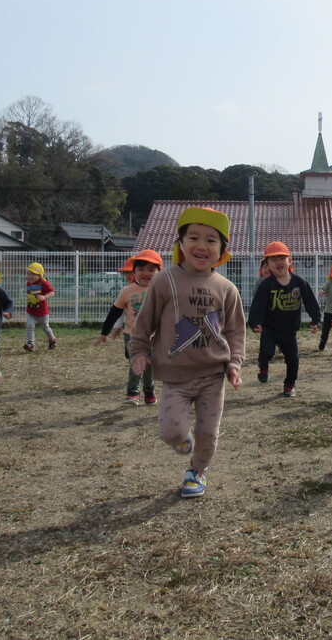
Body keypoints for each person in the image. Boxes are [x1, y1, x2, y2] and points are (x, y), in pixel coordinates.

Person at [129, 207, 245, 499]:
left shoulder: (227, 289)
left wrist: (234, 362)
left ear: (222, 250)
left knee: (208, 433)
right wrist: (139, 351)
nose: (201, 245)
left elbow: (234, 332)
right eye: (193, 237)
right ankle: (182, 442)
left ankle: (197, 471)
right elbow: (145, 321)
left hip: (212, 375)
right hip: (175, 376)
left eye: (211, 240)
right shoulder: (164, 280)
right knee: (171, 431)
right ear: (180, 243)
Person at [247, 241, 322, 397]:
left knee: (293, 360)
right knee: (267, 352)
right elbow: (258, 305)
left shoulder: (299, 282)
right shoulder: (266, 285)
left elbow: (310, 301)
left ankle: (289, 385)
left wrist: (315, 319)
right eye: (273, 260)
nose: (278, 262)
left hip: (289, 331)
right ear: (267, 265)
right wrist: (254, 323)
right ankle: (263, 366)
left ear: (290, 260)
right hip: (270, 328)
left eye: (282, 258)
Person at [95, 250, 163, 406]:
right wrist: (104, 333)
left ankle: (148, 389)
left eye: (151, 270)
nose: (146, 273)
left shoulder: (161, 290)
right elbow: (115, 312)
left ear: (159, 272)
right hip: (132, 335)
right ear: (134, 272)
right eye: (141, 269)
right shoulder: (127, 291)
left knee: (150, 365)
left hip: (154, 336)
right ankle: (133, 392)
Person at [24, 262, 56, 352]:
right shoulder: (29, 283)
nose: (30, 276)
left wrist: (44, 297)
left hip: (42, 312)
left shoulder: (44, 283)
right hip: (31, 310)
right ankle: (31, 344)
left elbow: (52, 292)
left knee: (45, 327)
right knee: (30, 326)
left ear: (39, 276)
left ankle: (52, 339)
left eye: (33, 274)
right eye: (28, 273)